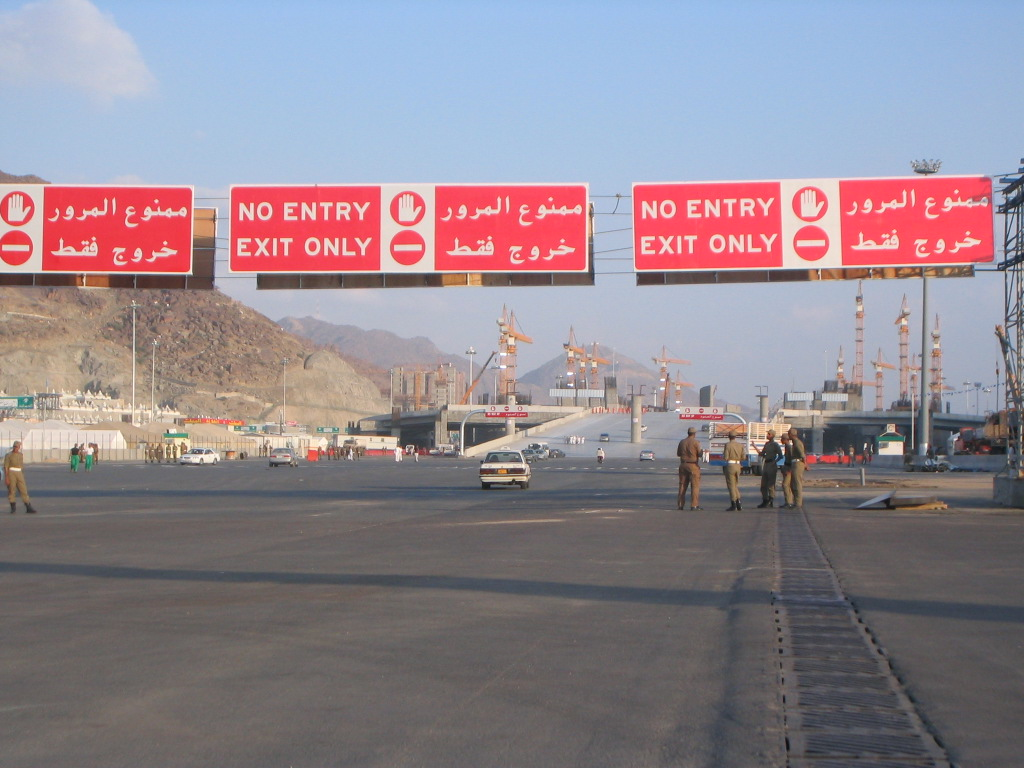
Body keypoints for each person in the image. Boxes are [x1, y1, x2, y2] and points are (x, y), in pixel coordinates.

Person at [5, 441, 38, 514]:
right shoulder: (9, 455)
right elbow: (6, 466)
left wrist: (22, 474)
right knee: (12, 489)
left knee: (23, 489)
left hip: (19, 472)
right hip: (11, 472)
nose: (16, 448)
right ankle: (13, 507)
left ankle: (28, 506)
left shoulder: (20, 455)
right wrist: (6, 477)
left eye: (18, 447)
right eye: (15, 446)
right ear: (13, 447)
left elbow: (21, 465)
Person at [676, 426, 703, 510]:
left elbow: (678, 454)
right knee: (695, 486)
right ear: (694, 434)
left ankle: (680, 504)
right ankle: (694, 505)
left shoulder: (682, 442)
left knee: (682, 485)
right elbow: (700, 454)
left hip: (683, 464)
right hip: (693, 465)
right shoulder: (696, 442)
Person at [757, 430, 782, 508]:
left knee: (771, 484)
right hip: (766, 464)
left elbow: (780, 455)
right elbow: (762, 454)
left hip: (771, 464)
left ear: (772, 435)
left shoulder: (775, 445)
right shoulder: (767, 444)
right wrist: (755, 447)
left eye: (769, 434)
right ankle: (765, 499)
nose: (767, 435)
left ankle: (771, 499)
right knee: (763, 484)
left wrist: (775, 462)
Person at [785, 428, 808, 508]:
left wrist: (806, 465)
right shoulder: (795, 443)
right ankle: (796, 502)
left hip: (798, 464)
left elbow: (802, 455)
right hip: (795, 463)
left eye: (788, 434)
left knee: (797, 483)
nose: (788, 436)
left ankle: (798, 503)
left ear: (791, 434)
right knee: (793, 483)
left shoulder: (797, 443)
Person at [722, 431, 744, 510]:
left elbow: (726, 457)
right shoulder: (740, 445)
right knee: (735, 485)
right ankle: (738, 503)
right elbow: (744, 457)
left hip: (730, 465)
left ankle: (733, 503)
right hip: (738, 465)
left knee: (731, 485)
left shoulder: (728, 445)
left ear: (729, 437)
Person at [779, 434, 794, 508]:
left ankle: (789, 502)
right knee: (786, 485)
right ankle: (788, 502)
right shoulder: (787, 447)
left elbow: (792, 459)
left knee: (785, 485)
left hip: (789, 468)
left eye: (782, 439)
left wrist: (790, 469)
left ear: (785, 439)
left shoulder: (789, 447)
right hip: (786, 467)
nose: (781, 440)